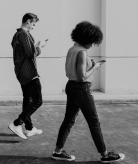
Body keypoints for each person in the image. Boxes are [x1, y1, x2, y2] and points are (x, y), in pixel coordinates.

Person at [51, 21, 125, 163]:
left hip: (71, 87)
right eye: (92, 42)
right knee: (94, 122)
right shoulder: (82, 52)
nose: (92, 45)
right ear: (87, 39)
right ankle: (104, 155)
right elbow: (82, 76)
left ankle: (57, 151)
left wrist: (88, 63)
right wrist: (95, 66)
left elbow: (74, 69)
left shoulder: (73, 48)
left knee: (69, 120)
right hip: (81, 89)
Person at [8, 13, 48, 139]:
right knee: (38, 101)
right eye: (33, 23)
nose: (34, 26)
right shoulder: (24, 34)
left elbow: (25, 52)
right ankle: (17, 123)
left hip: (21, 72)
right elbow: (31, 53)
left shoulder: (17, 35)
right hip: (29, 72)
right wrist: (40, 47)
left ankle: (29, 128)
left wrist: (35, 46)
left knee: (28, 99)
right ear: (28, 21)